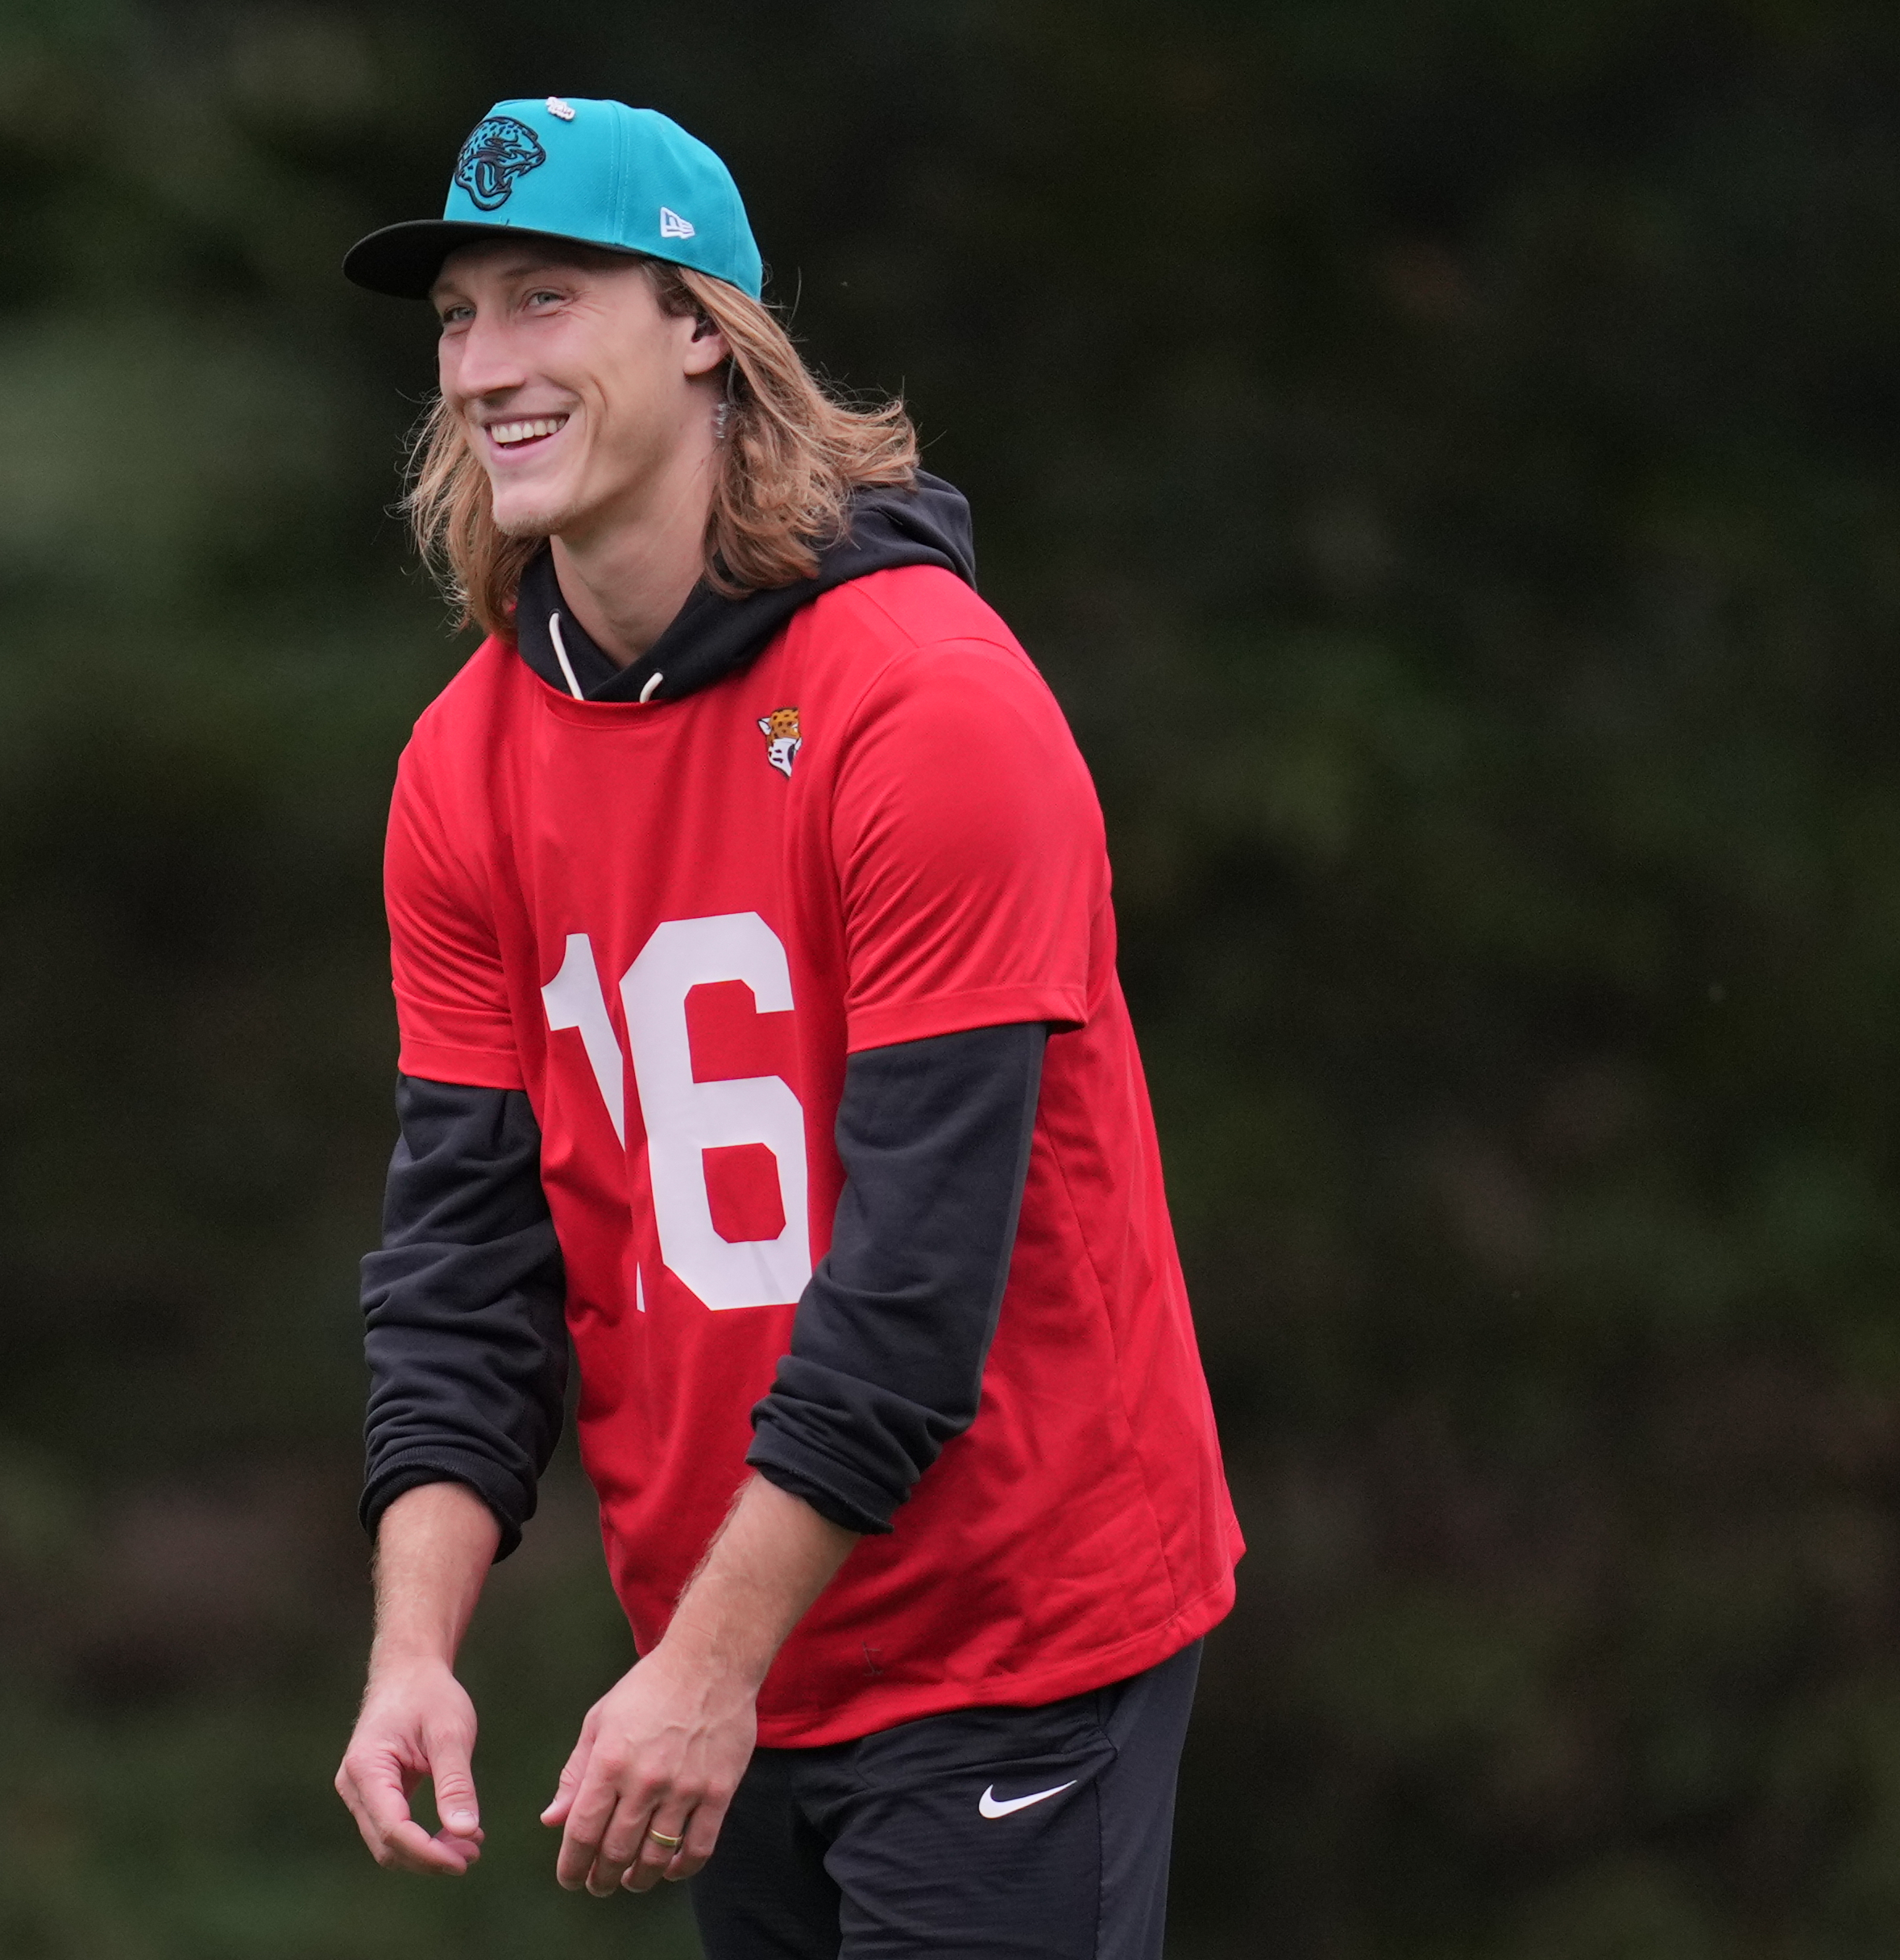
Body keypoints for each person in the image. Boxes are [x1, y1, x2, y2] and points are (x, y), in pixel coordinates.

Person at [330, 96, 1242, 1960]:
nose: (483, 364)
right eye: (455, 319)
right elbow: (464, 1256)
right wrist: (412, 1648)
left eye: (545, 298)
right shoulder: (460, 768)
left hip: (1010, 1629)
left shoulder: (926, 707)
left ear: (700, 327)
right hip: (733, 1655)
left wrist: (702, 1666)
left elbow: (916, 1281)